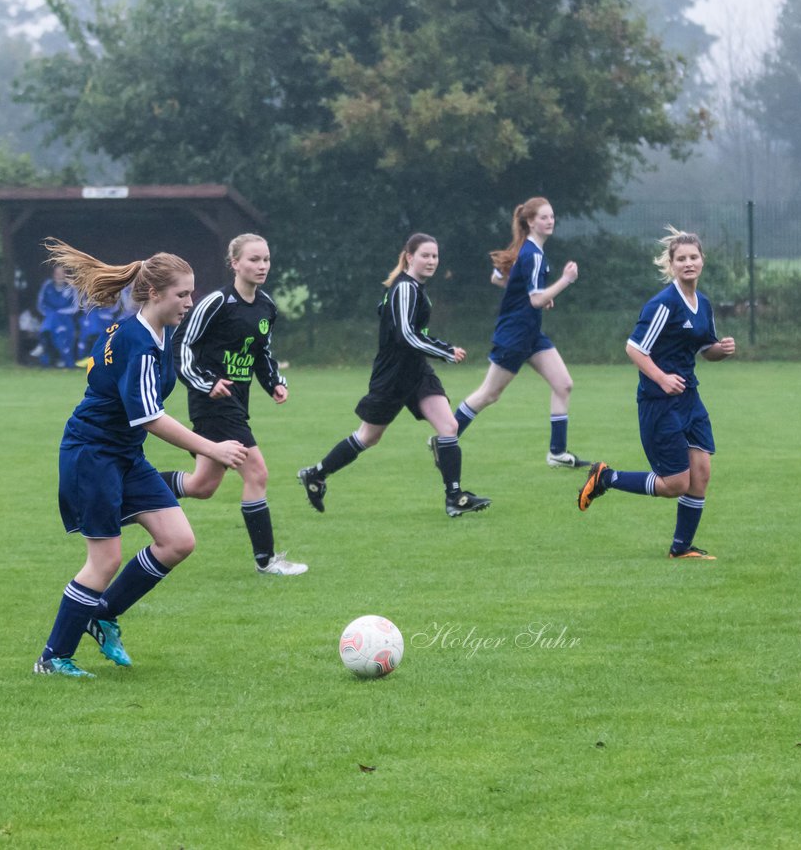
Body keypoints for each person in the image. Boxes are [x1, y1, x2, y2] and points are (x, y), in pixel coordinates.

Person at [33, 238, 248, 677]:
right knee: (105, 561)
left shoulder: (155, 332)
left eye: (191, 293)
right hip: (92, 454)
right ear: (154, 293)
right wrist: (210, 447)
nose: (189, 301)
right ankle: (53, 658)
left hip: (122, 455)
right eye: (182, 294)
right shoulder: (141, 342)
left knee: (178, 541)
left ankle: (102, 613)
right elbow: (148, 416)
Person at [297, 233, 491, 518]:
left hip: (417, 371)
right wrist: (445, 350)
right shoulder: (405, 288)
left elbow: (404, 326)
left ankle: (455, 497)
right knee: (369, 436)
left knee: (448, 427)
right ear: (409, 257)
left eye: (435, 256)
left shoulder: (414, 289)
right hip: (393, 375)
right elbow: (405, 335)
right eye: (425, 255)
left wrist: (438, 349)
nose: (431, 261)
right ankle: (316, 474)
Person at [577, 228, 734, 559]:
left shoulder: (702, 303)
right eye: (681, 259)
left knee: (701, 474)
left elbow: (707, 350)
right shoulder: (663, 304)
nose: (688, 263)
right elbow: (634, 348)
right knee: (675, 484)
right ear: (672, 264)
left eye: (694, 257)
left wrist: (722, 349)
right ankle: (605, 478)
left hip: (689, 398)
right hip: (659, 402)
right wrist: (662, 379)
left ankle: (681, 549)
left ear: (702, 260)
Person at [158, 233, 306, 575]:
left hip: (237, 402)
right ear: (235, 263)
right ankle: (266, 561)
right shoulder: (216, 303)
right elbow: (182, 345)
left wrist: (274, 384)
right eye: (254, 259)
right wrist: (206, 382)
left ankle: (129, 489)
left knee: (202, 486)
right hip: (212, 403)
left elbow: (261, 354)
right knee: (257, 472)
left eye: (266, 259)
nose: (262, 265)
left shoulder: (267, 306)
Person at [452, 197, 588, 468]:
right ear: (530, 222)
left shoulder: (530, 251)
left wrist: (536, 295)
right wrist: (565, 281)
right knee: (489, 394)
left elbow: (501, 279)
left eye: (552, 216)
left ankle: (557, 454)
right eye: (544, 217)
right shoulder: (532, 254)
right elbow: (535, 299)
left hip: (531, 334)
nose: (550, 221)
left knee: (563, 384)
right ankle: (446, 437)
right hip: (514, 335)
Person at [36, 265, 79, 368]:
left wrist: (59, 312)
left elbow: (76, 307)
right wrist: (50, 314)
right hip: (50, 317)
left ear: (65, 275)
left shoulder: (72, 287)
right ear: (53, 275)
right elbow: (40, 304)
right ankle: (57, 361)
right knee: (54, 322)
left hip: (66, 319)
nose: (59, 276)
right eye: (56, 274)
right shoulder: (47, 286)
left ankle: (43, 338)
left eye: (61, 274)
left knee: (59, 332)